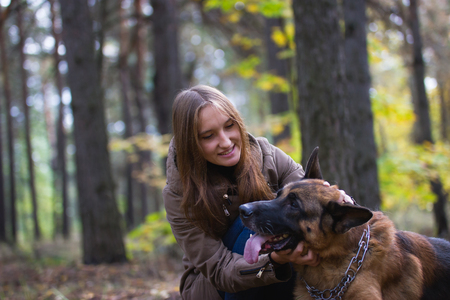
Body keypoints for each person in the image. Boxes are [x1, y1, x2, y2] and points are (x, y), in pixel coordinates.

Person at [163, 85, 353, 300]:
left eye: (229, 126)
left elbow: (309, 200)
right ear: (190, 143)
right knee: (253, 220)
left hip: (280, 267)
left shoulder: (266, 154)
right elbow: (219, 270)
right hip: (215, 288)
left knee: (289, 222)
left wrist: (338, 200)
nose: (225, 142)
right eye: (208, 136)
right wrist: (275, 260)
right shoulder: (178, 194)